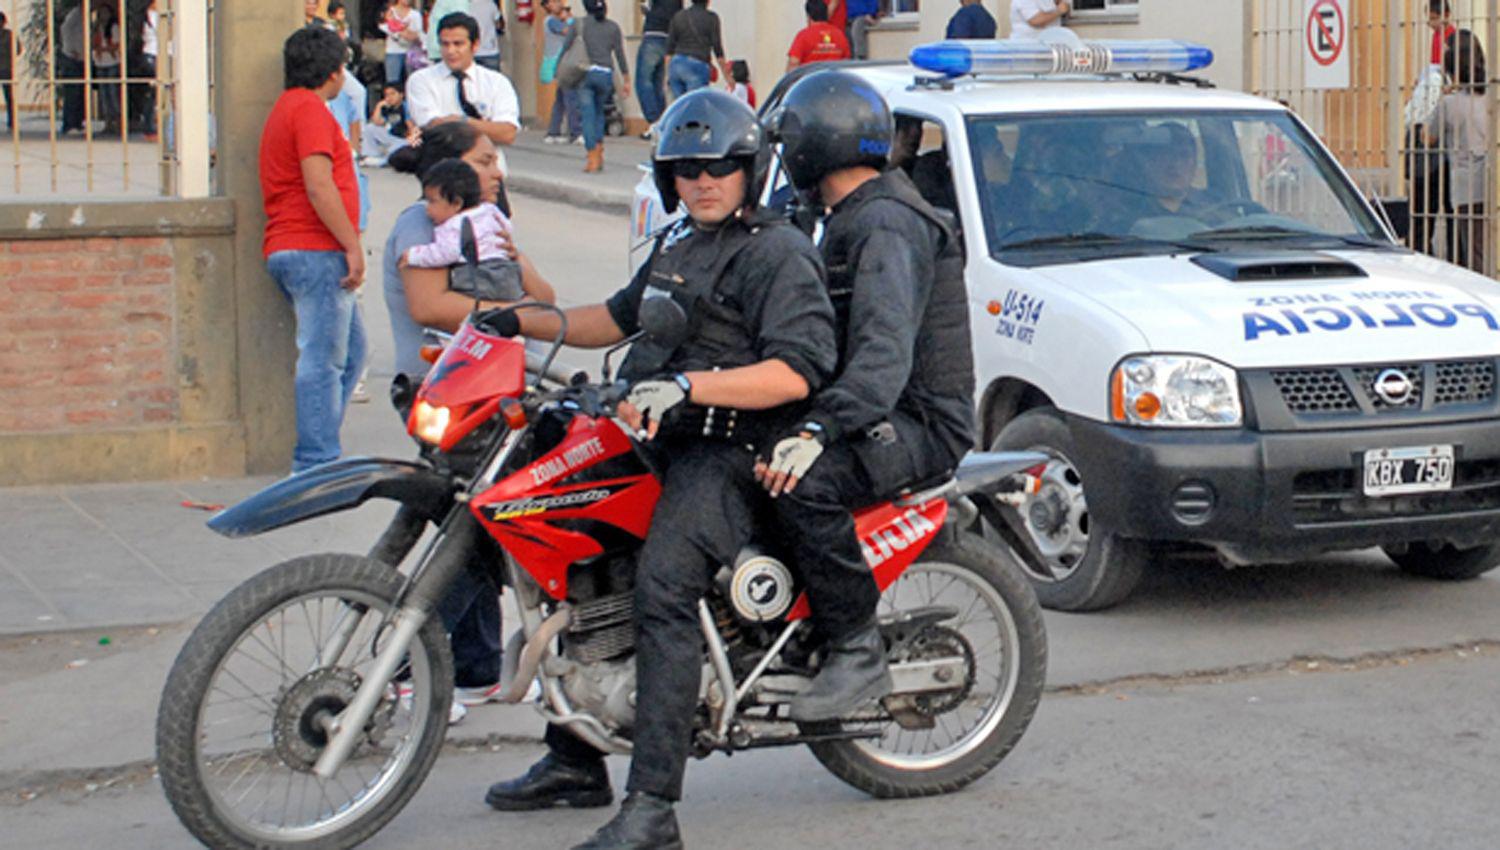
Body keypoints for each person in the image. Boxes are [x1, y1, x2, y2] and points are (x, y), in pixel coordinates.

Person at [484, 90, 838, 850]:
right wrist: (519, 320)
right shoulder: (680, 242)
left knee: (663, 587)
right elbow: (614, 318)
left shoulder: (777, 253)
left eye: (718, 168)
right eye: (685, 169)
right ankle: (576, 757)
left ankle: (652, 811)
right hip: (664, 437)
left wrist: (686, 386)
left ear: (750, 169)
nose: (703, 181)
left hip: (738, 452)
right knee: (576, 555)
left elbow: (796, 372)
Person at [759, 69, 974, 722]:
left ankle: (855, 649)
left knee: (803, 482)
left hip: (918, 422)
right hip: (878, 407)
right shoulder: (845, 214)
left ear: (813, 145)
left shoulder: (885, 222)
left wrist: (817, 430)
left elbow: (882, 358)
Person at [384, 123, 556, 718]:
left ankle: (478, 665)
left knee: (484, 521)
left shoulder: (486, 221)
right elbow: (430, 305)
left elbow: (545, 296)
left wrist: (519, 283)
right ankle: (408, 669)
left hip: (496, 392)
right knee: (470, 525)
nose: (496, 171)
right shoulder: (423, 221)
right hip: (448, 395)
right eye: (485, 161)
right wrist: (515, 315)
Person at [258, 25, 366, 473]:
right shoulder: (310, 112)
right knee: (323, 360)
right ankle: (316, 462)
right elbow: (320, 187)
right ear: (335, 72)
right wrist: (352, 245)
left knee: (352, 352)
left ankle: (322, 445)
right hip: (315, 248)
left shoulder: (290, 108)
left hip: (300, 247)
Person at [405, 11, 521, 174]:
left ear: (475, 45)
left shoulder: (496, 83)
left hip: (488, 172)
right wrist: (485, 127)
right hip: (441, 174)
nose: (451, 51)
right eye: (445, 44)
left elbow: (507, 133)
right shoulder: (422, 80)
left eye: (458, 44)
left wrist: (462, 121)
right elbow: (433, 127)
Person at [400, 158, 524, 303]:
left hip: (479, 275)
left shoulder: (454, 225)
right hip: (508, 272)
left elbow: (447, 252)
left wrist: (414, 255)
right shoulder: (489, 209)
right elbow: (507, 227)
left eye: (432, 201)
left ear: (457, 203)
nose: (427, 209)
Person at [1431, 29, 1489, 272]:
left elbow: (1429, 137)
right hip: (1491, 182)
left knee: (1474, 251)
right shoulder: (1492, 97)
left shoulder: (1449, 103)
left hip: (1466, 187)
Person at [562, 0, 629, 173]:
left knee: (588, 115)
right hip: (606, 75)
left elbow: (565, 49)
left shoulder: (579, 25)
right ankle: (599, 152)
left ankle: (592, 156)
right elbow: (620, 54)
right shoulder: (613, 27)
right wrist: (626, 79)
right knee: (600, 113)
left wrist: (558, 71)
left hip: (586, 75)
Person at [665, 0, 732, 99]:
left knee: (679, 107)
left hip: (676, 65)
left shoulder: (678, 16)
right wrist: (727, 76)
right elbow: (718, 49)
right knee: (695, 106)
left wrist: (666, 75)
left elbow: (669, 50)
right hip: (698, 64)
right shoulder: (712, 18)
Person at [635, 0, 680, 136]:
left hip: (653, 34)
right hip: (669, 38)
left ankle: (654, 120)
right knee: (657, 83)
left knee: (643, 81)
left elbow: (645, 5)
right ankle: (663, 121)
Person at [542, 0, 583, 145]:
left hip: (561, 62)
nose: (559, 4)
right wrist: (570, 19)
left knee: (561, 98)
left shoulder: (553, 20)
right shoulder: (552, 21)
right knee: (570, 96)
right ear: (547, 5)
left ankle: (553, 131)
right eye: (555, 2)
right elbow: (569, 32)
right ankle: (576, 132)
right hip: (559, 63)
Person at [787, 0, 850, 72]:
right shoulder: (840, 36)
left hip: (811, 81)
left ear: (809, 16)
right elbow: (846, 64)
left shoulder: (803, 36)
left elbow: (794, 63)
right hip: (834, 81)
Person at [91, 3, 123, 136]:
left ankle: (118, 121)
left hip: (112, 63)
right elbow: (93, 44)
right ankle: (108, 122)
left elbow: (116, 46)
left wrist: (102, 49)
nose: (103, 16)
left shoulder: (114, 27)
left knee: (113, 93)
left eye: (105, 13)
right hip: (100, 63)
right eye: (101, 13)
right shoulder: (97, 28)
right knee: (104, 95)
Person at [362, 83, 411, 165]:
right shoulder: (388, 108)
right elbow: (377, 122)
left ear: (401, 95)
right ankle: (371, 154)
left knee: (393, 150)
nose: (389, 97)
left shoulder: (405, 107)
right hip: (391, 136)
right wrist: (379, 106)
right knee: (369, 128)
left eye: (393, 94)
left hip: (404, 139)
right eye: (387, 95)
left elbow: (411, 125)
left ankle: (383, 161)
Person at [381, 0, 424, 85]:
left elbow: (418, 34)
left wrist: (397, 29)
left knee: (414, 81)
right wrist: (404, 32)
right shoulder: (389, 11)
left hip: (411, 52)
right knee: (392, 83)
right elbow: (384, 26)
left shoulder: (415, 14)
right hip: (393, 51)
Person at [59, 3, 86, 135]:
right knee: (72, 93)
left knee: (80, 92)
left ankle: (77, 122)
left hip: (80, 58)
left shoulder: (83, 15)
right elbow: (65, 29)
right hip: (72, 58)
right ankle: (69, 124)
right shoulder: (76, 14)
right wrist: (71, 49)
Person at [470, 0, 505, 72]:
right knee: (493, 81)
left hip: (471, 51)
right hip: (490, 51)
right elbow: (499, 25)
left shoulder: (465, 7)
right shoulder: (490, 4)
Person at [0, 12, 16, 133]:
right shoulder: (9, 35)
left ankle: (12, 121)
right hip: (6, 68)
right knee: (9, 96)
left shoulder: (10, 35)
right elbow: (18, 49)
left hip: (5, 68)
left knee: (9, 96)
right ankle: (12, 122)